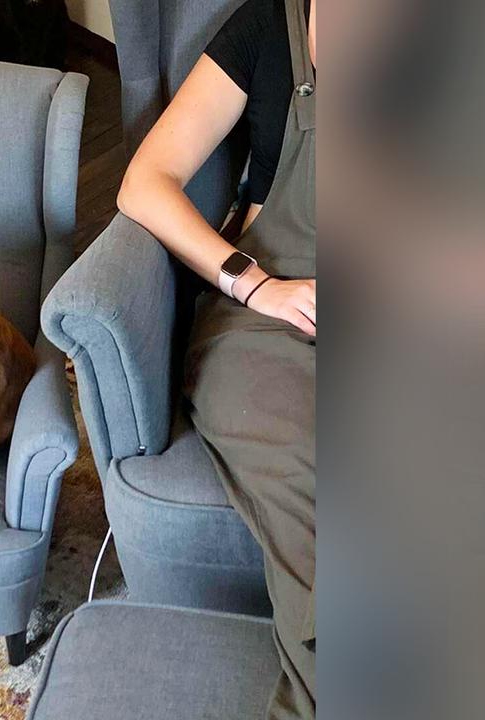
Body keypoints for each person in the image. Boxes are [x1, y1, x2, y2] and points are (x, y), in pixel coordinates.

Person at [115, 0, 316, 717]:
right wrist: (253, 284)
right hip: (268, 314)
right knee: (305, 481)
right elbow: (145, 181)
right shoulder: (269, 24)